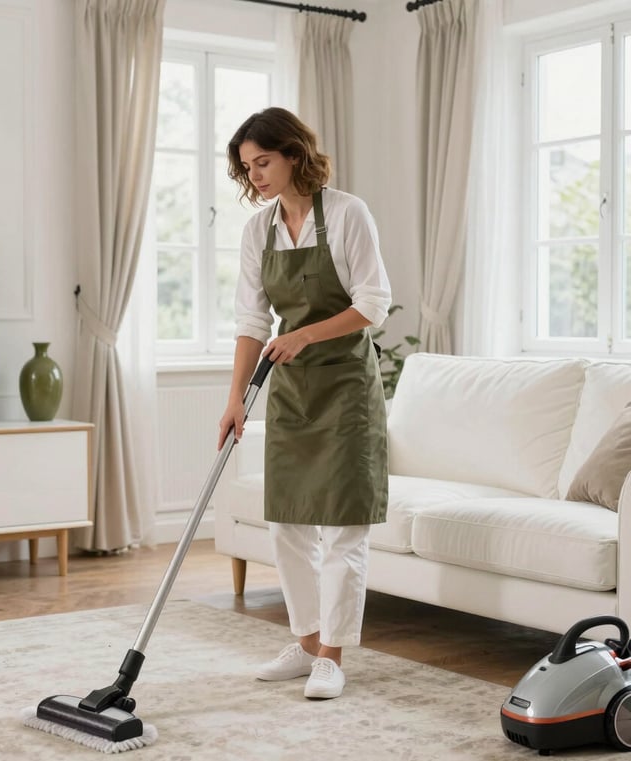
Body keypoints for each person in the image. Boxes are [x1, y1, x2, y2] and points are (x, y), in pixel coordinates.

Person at [217, 107, 391, 700]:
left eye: (263, 162)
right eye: (247, 167)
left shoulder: (346, 213)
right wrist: (236, 398)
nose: (256, 176)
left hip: (344, 386)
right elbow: (249, 320)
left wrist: (305, 334)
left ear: (294, 153)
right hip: (289, 388)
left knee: (343, 526)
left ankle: (333, 656)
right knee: (287, 519)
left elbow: (374, 303)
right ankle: (309, 639)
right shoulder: (257, 231)